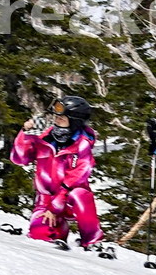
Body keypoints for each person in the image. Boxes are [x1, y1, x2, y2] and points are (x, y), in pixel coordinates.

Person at [10, 96, 104, 249]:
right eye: (56, 116)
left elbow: (79, 176)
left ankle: (92, 240)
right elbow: (19, 159)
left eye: (62, 116)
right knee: (39, 234)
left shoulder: (82, 145)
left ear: (75, 120)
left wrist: (56, 205)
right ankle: (58, 232)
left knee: (80, 195)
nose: (57, 119)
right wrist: (24, 133)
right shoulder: (45, 139)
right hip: (45, 201)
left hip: (68, 199)